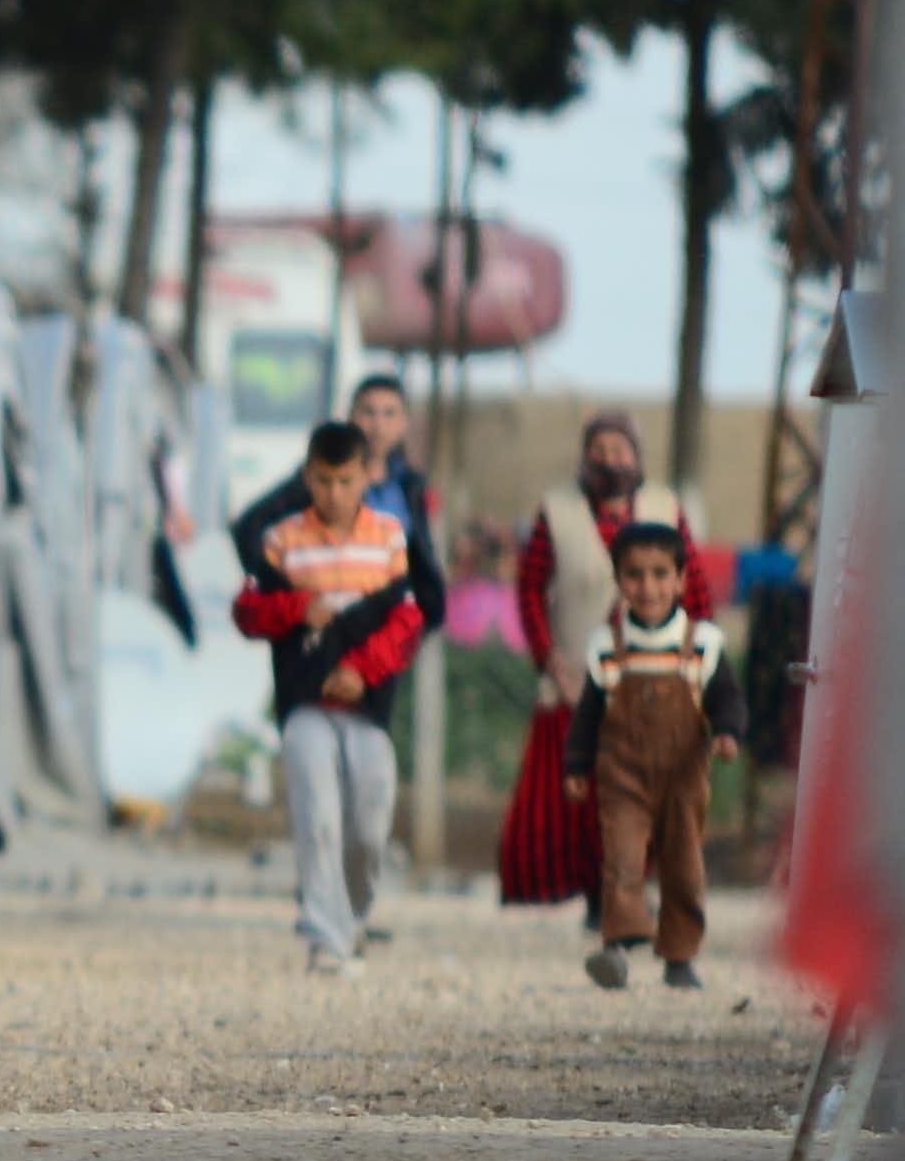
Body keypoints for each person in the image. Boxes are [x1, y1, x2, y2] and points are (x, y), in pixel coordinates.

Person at [499, 410, 715, 915]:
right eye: (599, 451)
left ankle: (634, 890)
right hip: (575, 679)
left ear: (637, 457)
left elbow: (696, 589)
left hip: (653, 675)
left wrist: (694, 658)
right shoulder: (557, 512)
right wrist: (549, 659)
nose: (610, 461)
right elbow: (530, 590)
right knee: (582, 795)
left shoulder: (664, 508)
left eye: (619, 451)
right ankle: (603, 895)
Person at [232, 419, 429, 975]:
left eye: (345, 481)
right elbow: (248, 612)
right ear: (307, 477)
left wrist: (363, 671)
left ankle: (354, 914)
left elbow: (406, 622)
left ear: (366, 477)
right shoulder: (283, 541)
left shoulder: (388, 538)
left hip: (366, 708)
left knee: (369, 818)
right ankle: (324, 935)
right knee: (317, 813)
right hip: (305, 706)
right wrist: (298, 608)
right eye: (323, 481)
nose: (334, 494)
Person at [565, 523, 744, 992]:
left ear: (681, 579)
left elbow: (726, 697)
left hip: (683, 780)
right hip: (623, 778)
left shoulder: (702, 642)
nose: (648, 587)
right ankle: (620, 943)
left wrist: (727, 732)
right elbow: (588, 714)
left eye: (660, 574)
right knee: (621, 859)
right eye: (635, 575)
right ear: (619, 580)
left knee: (683, 865)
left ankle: (680, 955)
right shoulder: (607, 646)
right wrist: (577, 765)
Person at [233, 371, 446, 639]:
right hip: (322, 631)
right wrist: (284, 597)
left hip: (386, 632)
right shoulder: (318, 480)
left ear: (404, 423)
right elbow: (249, 527)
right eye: (368, 412)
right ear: (351, 415)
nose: (378, 425)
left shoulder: (409, 486)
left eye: (389, 414)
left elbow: (419, 557)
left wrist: (425, 610)